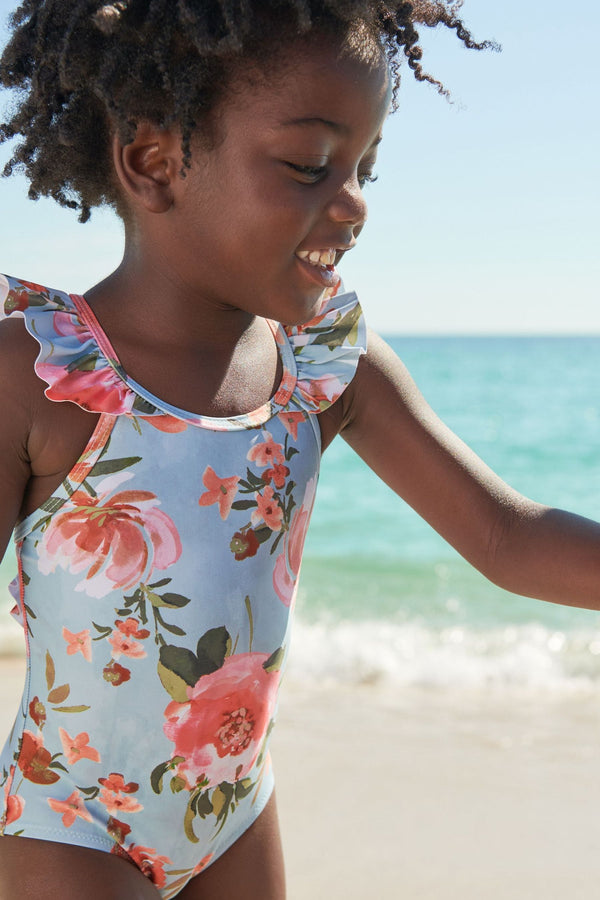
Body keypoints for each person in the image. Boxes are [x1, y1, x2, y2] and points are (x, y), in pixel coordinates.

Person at [0, 2, 598, 898]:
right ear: (153, 160)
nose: (353, 203)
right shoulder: (40, 374)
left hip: (236, 814)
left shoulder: (322, 367)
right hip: (67, 825)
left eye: (364, 168)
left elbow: (506, 539)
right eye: (311, 166)